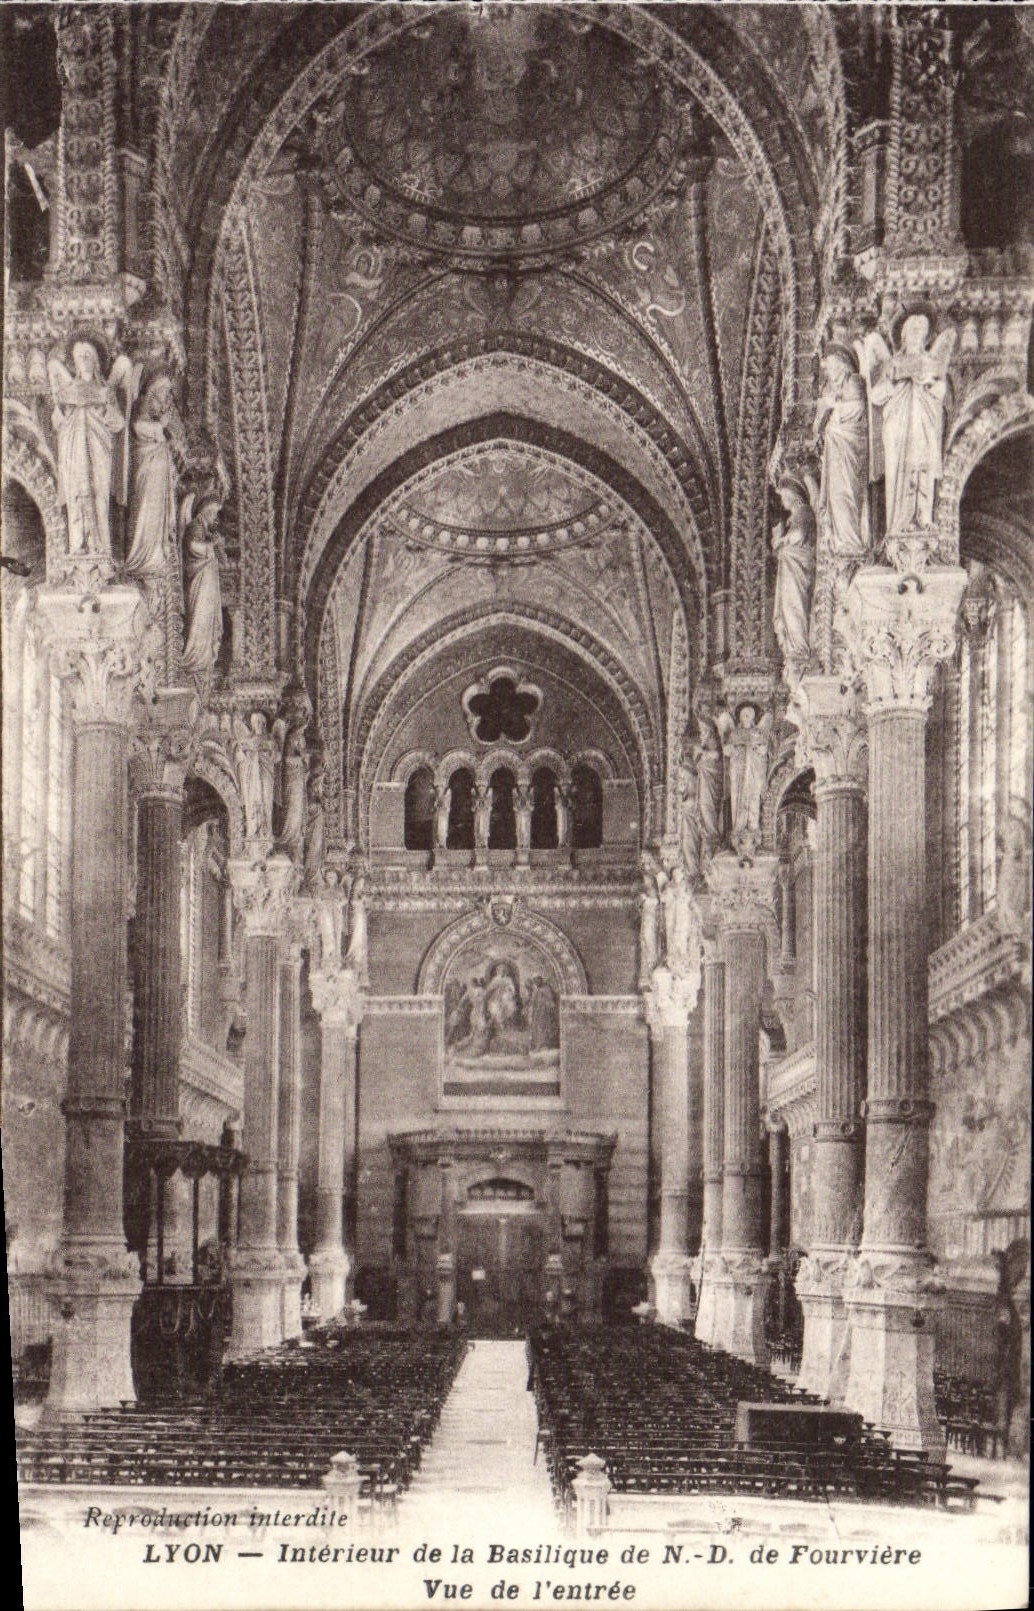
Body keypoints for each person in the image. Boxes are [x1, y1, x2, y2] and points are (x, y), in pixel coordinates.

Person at [869, 315, 956, 535]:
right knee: (899, 470)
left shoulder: (930, 363)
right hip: (899, 428)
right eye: (913, 329)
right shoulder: (893, 363)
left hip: (924, 424)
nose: (917, 334)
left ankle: (923, 517)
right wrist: (892, 383)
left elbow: (940, 390)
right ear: (904, 335)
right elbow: (876, 395)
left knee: (923, 465)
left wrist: (929, 381)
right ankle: (899, 522)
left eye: (921, 330)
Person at [48, 340, 130, 557]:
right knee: (76, 494)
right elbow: (57, 423)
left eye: (87, 355)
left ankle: (100, 546)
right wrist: (61, 410)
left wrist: (105, 408)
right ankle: (78, 545)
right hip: (73, 450)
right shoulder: (67, 391)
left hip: (99, 449)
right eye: (80, 356)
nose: (84, 359)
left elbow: (118, 423)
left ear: (95, 361)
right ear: (74, 362)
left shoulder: (104, 390)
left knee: (99, 495)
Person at [812, 346, 870, 559]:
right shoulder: (831, 389)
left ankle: (851, 542)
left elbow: (859, 408)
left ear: (842, 365)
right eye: (827, 369)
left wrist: (834, 410)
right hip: (835, 451)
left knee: (847, 492)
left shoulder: (854, 381)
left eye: (831, 367)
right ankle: (844, 541)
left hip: (851, 447)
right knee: (836, 495)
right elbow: (818, 422)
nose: (828, 372)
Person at [124, 374, 182, 581]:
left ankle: (155, 556)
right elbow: (137, 426)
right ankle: (142, 557)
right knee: (146, 510)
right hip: (146, 469)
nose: (166, 397)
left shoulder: (157, 412)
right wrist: (161, 426)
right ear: (155, 391)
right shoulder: (144, 406)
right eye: (164, 392)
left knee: (156, 514)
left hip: (157, 472)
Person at [771, 474, 816, 666]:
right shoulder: (796, 516)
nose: (782, 501)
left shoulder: (803, 512)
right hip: (792, 571)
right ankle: (795, 648)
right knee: (790, 609)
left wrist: (782, 541)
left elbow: (800, 534)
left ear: (793, 495)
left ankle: (799, 649)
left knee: (794, 608)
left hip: (798, 570)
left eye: (783, 496)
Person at [181, 494, 225, 676]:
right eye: (214, 514)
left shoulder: (205, 530)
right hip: (199, 580)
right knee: (200, 615)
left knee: (206, 617)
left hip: (207, 582)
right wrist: (211, 544)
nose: (215, 518)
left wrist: (216, 545)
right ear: (205, 512)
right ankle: (195, 656)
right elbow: (192, 546)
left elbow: (221, 559)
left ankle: (203, 657)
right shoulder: (195, 526)